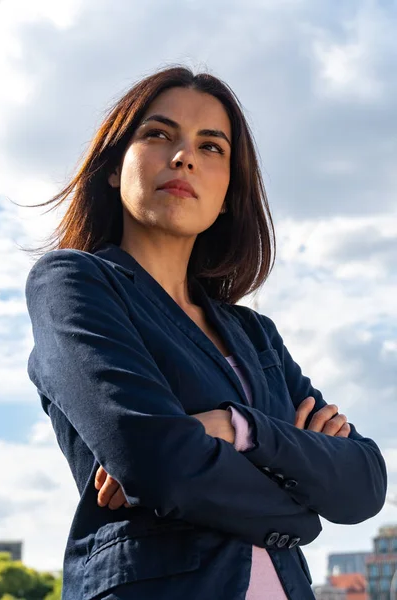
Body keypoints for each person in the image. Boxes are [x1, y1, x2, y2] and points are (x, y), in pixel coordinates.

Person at [24, 65, 387, 600]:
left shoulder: (253, 334)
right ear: (112, 166)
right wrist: (301, 509)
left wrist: (239, 428)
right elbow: (156, 460)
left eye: (211, 146)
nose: (184, 156)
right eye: (157, 134)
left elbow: (362, 483)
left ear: (228, 190)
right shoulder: (74, 284)